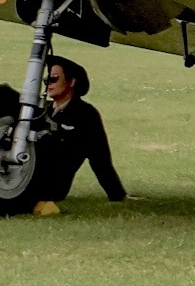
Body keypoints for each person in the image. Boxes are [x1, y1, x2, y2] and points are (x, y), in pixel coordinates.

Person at [35, 56, 126, 202]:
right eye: (47, 81)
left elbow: (100, 159)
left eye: (54, 79)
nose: (48, 85)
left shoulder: (86, 115)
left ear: (72, 82)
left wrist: (117, 195)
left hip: (51, 188)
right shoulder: (41, 110)